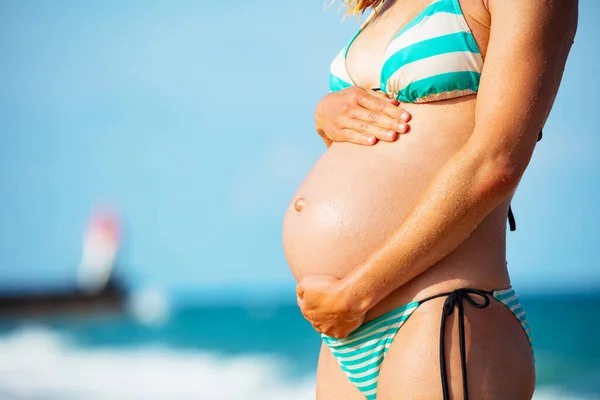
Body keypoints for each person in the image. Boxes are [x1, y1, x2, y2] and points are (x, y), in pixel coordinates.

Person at [282, 0, 578, 399]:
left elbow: (496, 162)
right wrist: (328, 114)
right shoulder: (386, 3)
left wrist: (358, 290)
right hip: (349, 325)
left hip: (440, 309)